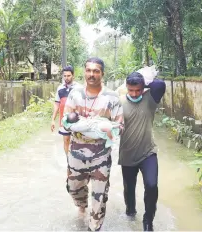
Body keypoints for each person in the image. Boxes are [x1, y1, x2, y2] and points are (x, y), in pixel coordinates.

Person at [63, 57, 124, 231]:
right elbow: (66, 122)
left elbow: (120, 126)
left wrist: (103, 128)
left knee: (99, 197)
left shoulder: (112, 97)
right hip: (76, 154)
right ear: (84, 72)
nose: (92, 74)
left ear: (102, 74)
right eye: (89, 70)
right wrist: (67, 152)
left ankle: (94, 227)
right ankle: (81, 205)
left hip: (101, 155)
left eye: (96, 71)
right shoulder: (75, 94)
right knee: (73, 188)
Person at [118, 66, 166, 231]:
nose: (134, 94)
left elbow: (160, 85)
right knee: (129, 189)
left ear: (143, 88)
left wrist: (146, 81)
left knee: (152, 186)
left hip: (148, 153)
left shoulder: (150, 100)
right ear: (126, 88)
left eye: (137, 90)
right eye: (130, 90)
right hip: (127, 155)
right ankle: (130, 213)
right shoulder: (119, 102)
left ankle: (148, 221)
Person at [51, 65, 80, 155]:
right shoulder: (60, 88)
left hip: (77, 120)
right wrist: (53, 120)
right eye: (65, 76)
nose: (66, 78)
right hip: (64, 120)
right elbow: (56, 104)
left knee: (77, 141)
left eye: (68, 75)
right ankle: (69, 162)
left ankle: (77, 162)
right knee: (66, 140)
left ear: (73, 75)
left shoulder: (79, 88)